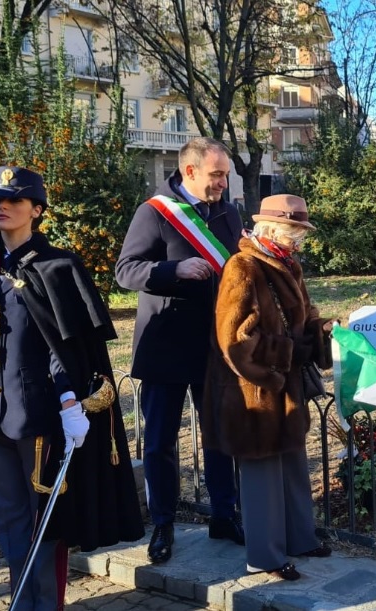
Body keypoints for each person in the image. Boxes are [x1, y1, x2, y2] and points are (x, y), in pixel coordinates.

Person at [0, 166, 144, 610]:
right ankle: (22, 599)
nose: (2, 207)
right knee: (8, 518)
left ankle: (46, 605)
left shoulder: (58, 266)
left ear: (37, 210)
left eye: (14, 200)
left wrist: (69, 400)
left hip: (37, 414)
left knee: (44, 521)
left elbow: (64, 344)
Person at [115, 137, 243, 564]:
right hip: (166, 347)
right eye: (217, 175)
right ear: (189, 172)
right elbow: (126, 270)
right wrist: (173, 269)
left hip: (213, 345)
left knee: (220, 436)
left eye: (225, 174)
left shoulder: (228, 212)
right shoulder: (154, 213)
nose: (223, 182)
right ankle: (163, 525)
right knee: (160, 442)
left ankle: (224, 515)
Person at [201, 194, 333, 580]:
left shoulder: (287, 264)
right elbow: (235, 342)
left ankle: (300, 538)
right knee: (261, 476)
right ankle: (265, 557)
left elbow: (304, 317)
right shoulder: (243, 267)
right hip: (253, 393)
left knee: (292, 464)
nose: (300, 242)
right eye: (295, 233)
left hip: (282, 387)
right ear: (272, 229)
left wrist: (324, 333)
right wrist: (287, 356)